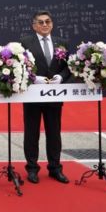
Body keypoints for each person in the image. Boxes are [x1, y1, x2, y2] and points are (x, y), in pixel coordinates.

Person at [19, 10, 71, 184]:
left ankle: (55, 168)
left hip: (54, 95)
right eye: (40, 22)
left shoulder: (61, 43)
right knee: (31, 133)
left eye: (47, 21)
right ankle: (32, 168)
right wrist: (34, 78)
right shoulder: (25, 42)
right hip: (33, 96)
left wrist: (61, 77)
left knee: (54, 133)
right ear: (34, 26)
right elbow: (20, 65)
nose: (44, 25)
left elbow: (68, 67)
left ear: (52, 24)